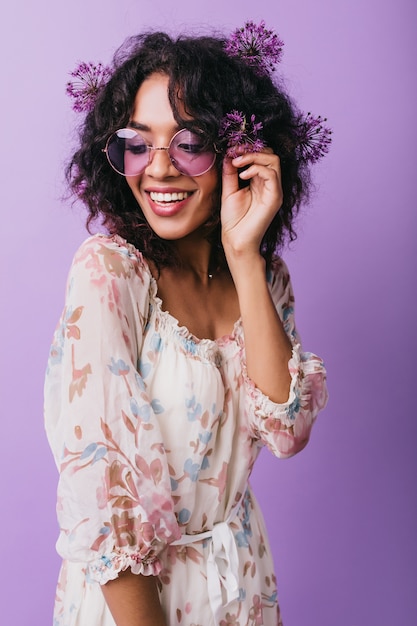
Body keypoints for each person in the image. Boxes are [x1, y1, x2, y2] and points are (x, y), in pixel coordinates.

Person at [44, 22, 330, 626]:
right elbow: (103, 494)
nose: (160, 169)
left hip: (242, 587)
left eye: (190, 142)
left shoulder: (265, 278)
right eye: (138, 143)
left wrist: (245, 254)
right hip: (135, 607)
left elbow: (288, 429)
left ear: (238, 151)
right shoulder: (111, 273)